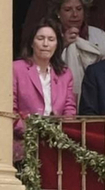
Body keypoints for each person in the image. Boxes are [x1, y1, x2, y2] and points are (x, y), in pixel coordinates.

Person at [12, 19, 76, 159]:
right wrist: (32, 132)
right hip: (24, 145)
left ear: (57, 44)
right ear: (31, 42)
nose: (45, 44)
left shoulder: (65, 73)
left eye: (51, 39)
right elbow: (11, 109)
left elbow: (69, 110)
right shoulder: (17, 68)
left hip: (56, 146)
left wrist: (59, 134)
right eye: (40, 38)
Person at [53, 0, 105, 94]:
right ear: (58, 13)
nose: (75, 14)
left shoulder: (99, 35)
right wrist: (63, 44)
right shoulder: (49, 36)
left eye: (79, 9)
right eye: (68, 10)